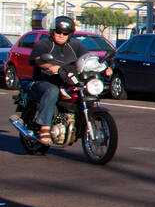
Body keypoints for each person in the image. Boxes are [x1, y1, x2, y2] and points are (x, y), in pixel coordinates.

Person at [28, 16, 112, 146]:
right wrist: (49, 66)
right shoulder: (44, 44)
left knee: (82, 91)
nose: (61, 35)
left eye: (65, 33)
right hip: (44, 81)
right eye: (58, 32)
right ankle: (44, 128)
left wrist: (105, 67)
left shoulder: (74, 45)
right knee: (53, 90)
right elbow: (36, 59)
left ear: (70, 34)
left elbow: (87, 58)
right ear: (52, 31)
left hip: (66, 80)